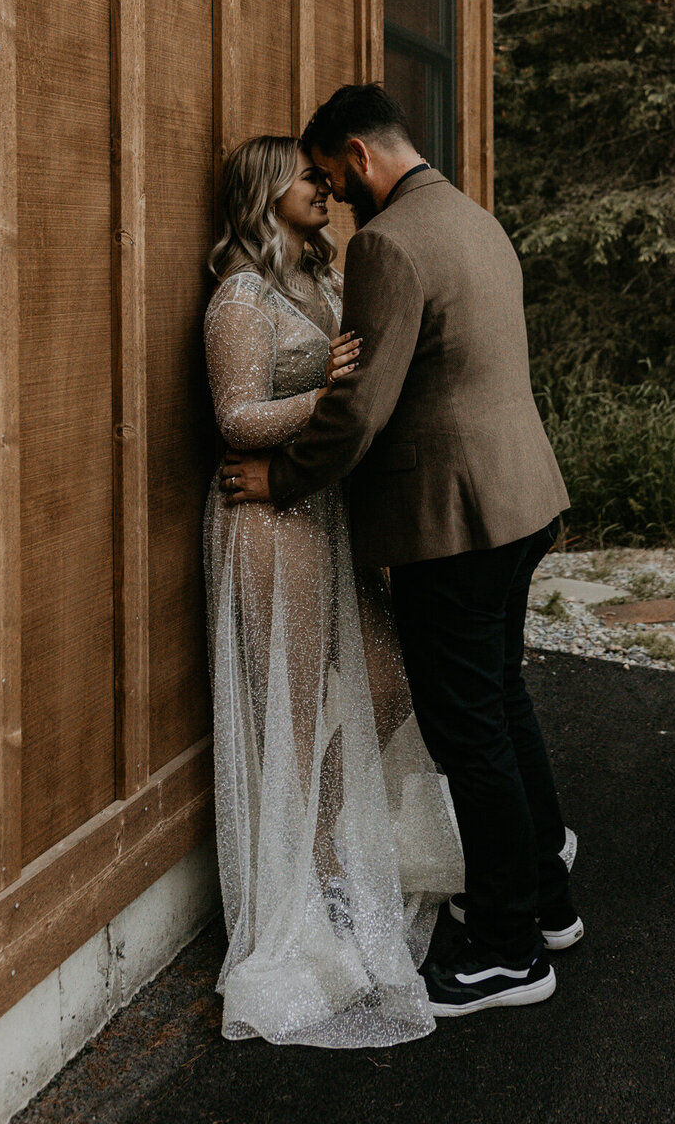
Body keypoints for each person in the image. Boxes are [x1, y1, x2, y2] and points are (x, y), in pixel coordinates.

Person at [222, 86, 580, 1020]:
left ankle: (508, 950)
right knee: (500, 699)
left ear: (358, 154)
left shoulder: (389, 244)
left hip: (453, 519)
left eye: (333, 175)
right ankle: (544, 896)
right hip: (521, 497)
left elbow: (361, 410)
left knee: (470, 729)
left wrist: (280, 480)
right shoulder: (471, 217)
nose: (334, 197)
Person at [202, 135, 463, 1048]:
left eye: (325, 172)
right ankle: (316, 884)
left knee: (386, 683)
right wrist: (331, 400)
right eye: (307, 177)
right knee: (302, 711)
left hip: (324, 513)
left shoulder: (322, 279)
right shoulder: (240, 297)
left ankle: (340, 855)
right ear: (266, 192)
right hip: (268, 524)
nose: (324, 186)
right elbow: (235, 417)